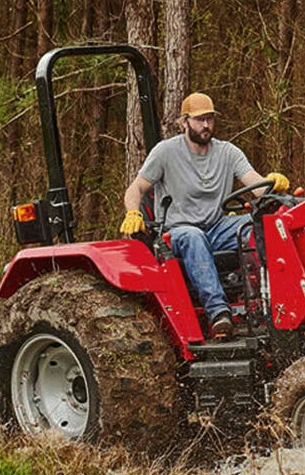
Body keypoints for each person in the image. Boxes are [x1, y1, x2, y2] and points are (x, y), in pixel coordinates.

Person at [118, 93, 289, 338]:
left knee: (260, 226)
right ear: (184, 122)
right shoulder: (165, 152)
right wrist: (133, 211)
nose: (206, 125)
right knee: (193, 236)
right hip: (177, 231)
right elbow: (136, 188)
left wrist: (273, 184)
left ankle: (271, 302)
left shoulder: (227, 153)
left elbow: (256, 185)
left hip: (217, 227)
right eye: (200, 120)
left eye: (209, 119)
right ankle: (219, 313)